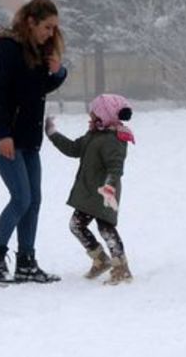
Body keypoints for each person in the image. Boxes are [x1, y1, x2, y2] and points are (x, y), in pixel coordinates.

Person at [0, 0, 69, 283]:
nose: (51, 33)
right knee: (21, 198)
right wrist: (4, 133)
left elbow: (36, 90)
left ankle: (26, 262)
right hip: (5, 138)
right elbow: (0, 93)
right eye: (47, 27)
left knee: (34, 200)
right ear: (31, 22)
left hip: (29, 139)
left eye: (54, 28)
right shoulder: (9, 48)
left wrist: (57, 73)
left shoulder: (39, 50)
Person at [46, 93, 136, 285]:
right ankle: (101, 259)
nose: (90, 117)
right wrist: (53, 134)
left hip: (105, 194)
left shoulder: (115, 138)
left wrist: (109, 188)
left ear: (105, 115)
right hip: (89, 194)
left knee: (106, 228)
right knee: (76, 225)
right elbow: (73, 149)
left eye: (94, 113)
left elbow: (116, 168)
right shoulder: (93, 135)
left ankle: (122, 268)